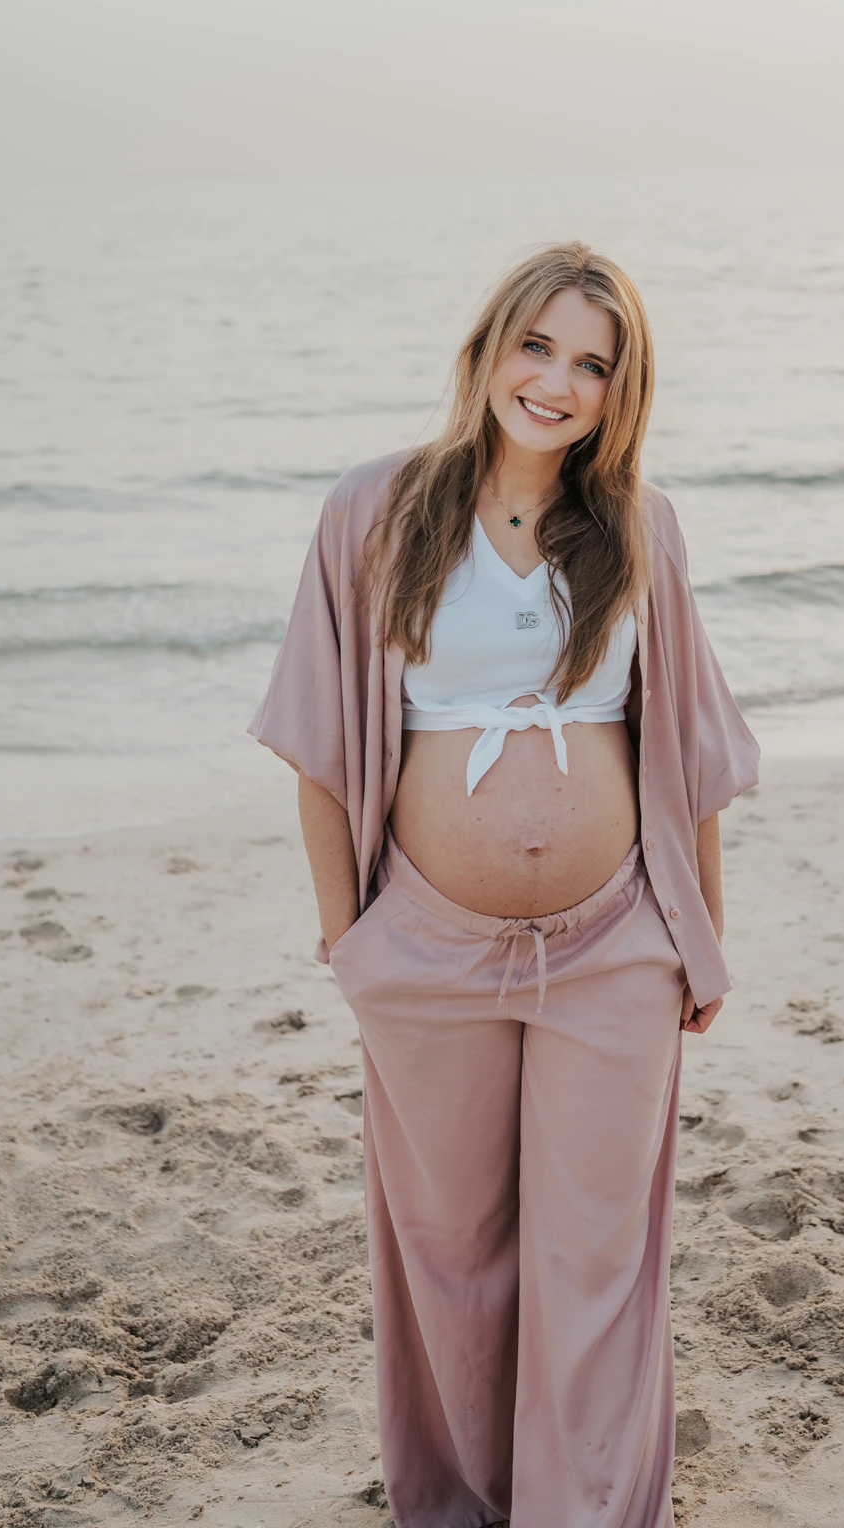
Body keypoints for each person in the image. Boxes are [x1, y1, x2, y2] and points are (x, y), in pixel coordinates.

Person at [249, 242, 758, 1528]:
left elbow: (684, 748)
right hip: (424, 943)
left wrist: (700, 936)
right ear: (486, 348)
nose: (557, 381)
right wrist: (346, 941)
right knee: (452, 1248)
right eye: (538, 345)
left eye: (592, 363)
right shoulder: (373, 510)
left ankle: (579, 1511)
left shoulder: (638, 526)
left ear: (616, 392)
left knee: (594, 1253)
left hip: (612, 945)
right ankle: (471, 1502)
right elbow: (316, 741)